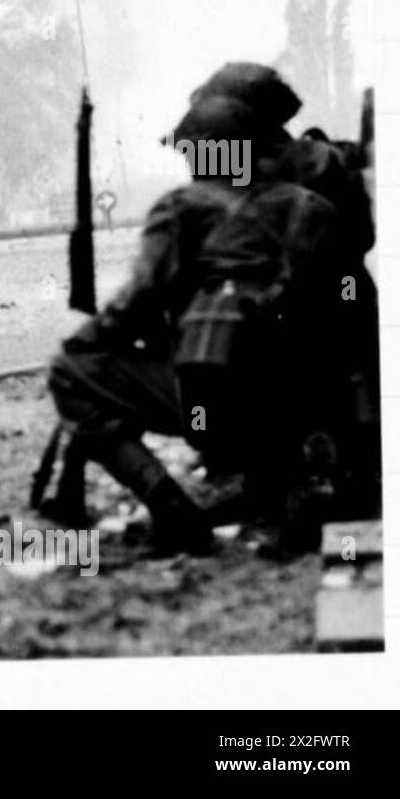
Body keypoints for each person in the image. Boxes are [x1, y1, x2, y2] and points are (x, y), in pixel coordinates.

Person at [41, 65, 348, 553]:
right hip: (304, 407)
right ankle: (287, 484)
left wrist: (90, 340)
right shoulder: (313, 207)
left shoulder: (182, 208)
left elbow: (133, 308)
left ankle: (173, 511)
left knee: (71, 372)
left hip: (216, 411)